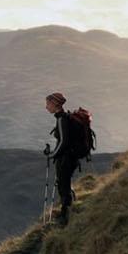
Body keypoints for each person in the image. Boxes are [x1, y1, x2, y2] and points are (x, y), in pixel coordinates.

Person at [44, 91, 82, 225]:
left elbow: (63, 142)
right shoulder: (64, 117)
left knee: (63, 186)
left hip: (66, 159)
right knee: (64, 183)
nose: (46, 106)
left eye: (48, 103)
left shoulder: (61, 120)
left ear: (55, 104)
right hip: (70, 158)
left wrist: (52, 155)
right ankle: (70, 208)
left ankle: (65, 217)